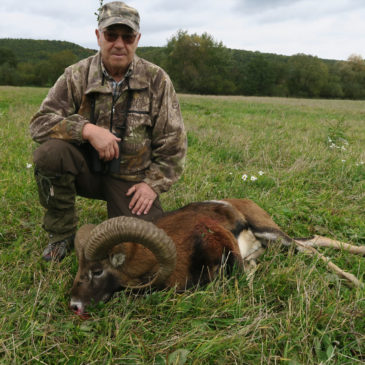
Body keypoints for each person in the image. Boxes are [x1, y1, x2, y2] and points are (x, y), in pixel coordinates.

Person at [30, 1, 187, 262]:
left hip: (131, 182)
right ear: (98, 36)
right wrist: (86, 129)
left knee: (142, 252)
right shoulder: (76, 75)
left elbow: (174, 146)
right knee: (50, 154)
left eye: (127, 37)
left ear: (137, 39)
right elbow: (39, 123)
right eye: (111, 35)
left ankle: (129, 210)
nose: (119, 44)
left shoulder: (157, 80)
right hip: (85, 170)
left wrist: (151, 185)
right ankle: (61, 235)